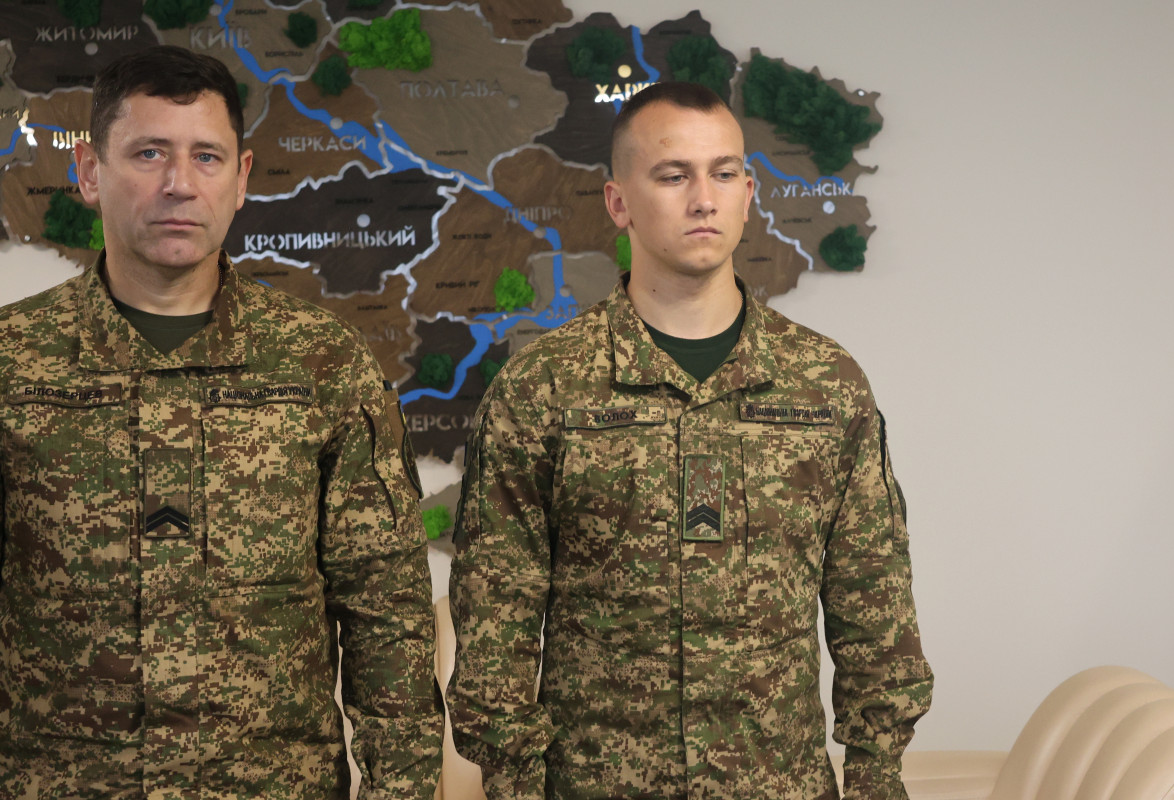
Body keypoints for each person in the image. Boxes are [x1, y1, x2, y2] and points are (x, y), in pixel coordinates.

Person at [447, 82, 933, 799]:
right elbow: (497, 620)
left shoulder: (824, 384)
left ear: (748, 193)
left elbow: (875, 606)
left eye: (724, 173)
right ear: (619, 202)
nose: (704, 199)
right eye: (674, 176)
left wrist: (874, 776)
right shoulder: (544, 389)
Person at [0, 46, 441, 797]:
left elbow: (386, 613)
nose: (179, 183)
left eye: (206, 156)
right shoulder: (14, 361)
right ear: (90, 171)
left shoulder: (322, 363)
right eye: (148, 153)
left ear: (240, 180)